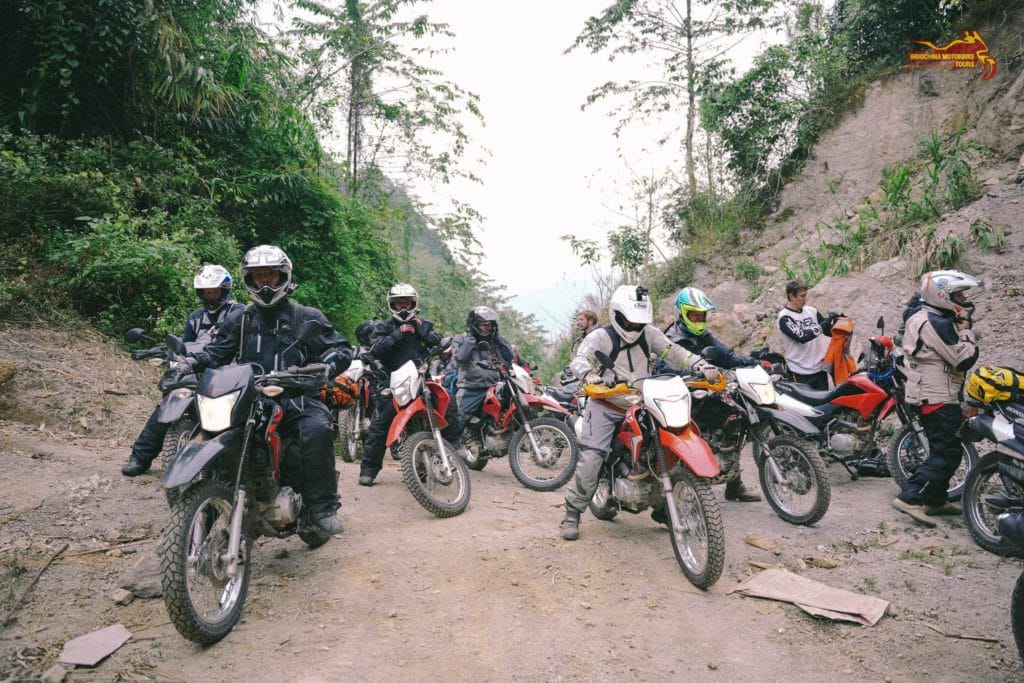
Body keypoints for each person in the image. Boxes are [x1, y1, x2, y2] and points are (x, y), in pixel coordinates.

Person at [183, 245, 352, 536]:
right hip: (249, 396)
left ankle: (322, 507)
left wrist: (324, 366)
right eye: (258, 276)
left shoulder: (305, 315)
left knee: (317, 429)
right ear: (249, 280)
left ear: (282, 277)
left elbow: (339, 349)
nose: (264, 282)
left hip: (296, 395)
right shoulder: (240, 318)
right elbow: (216, 352)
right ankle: (207, 503)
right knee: (212, 428)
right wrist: (191, 360)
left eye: (270, 276)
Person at [560, 284, 722, 541]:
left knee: (663, 448)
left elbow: (675, 352)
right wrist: (590, 374)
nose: (635, 327)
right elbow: (580, 359)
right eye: (630, 321)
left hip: (644, 401)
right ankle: (572, 513)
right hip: (607, 405)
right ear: (617, 315)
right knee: (593, 458)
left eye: (640, 322)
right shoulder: (600, 337)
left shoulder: (650, 334)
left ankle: (661, 506)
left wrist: (701, 365)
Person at [121, 264, 245, 477]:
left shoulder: (239, 313)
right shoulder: (195, 317)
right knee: (169, 403)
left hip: (228, 373)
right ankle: (140, 457)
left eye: (215, 291)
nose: (211, 296)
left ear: (225, 290)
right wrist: (175, 357)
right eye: (207, 291)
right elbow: (185, 344)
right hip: (196, 369)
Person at [891, 270, 981, 527]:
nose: (963, 298)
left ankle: (935, 499)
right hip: (938, 396)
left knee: (945, 448)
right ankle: (911, 497)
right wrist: (966, 332)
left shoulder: (922, 314)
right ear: (943, 295)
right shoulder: (937, 323)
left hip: (928, 393)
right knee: (947, 452)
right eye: (958, 294)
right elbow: (964, 359)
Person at [662, 287, 762, 503]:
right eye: (694, 315)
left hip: (707, 389)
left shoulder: (704, 336)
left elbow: (726, 357)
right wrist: (689, 374)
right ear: (682, 313)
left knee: (735, 416)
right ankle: (683, 488)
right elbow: (662, 369)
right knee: (687, 436)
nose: (698, 319)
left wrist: (756, 362)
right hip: (681, 394)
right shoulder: (670, 339)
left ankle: (734, 484)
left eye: (701, 315)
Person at [358, 284, 451, 486]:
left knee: (447, 406)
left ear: (413, 304)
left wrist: (422, 330)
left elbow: (439, 342)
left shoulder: (422, 325)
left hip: (421, 379)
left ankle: (453, 454)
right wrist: (398, 333)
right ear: (392, 305)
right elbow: (376, 349)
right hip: (392, 380)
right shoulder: (383, 327)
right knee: (381, 422)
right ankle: (369, 470)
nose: (403, 307)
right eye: (399, 303)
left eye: (407, 303)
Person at [451, 306, 515, 449]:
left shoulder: (494, 341)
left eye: (490, 325)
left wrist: (500, 340)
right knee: (460, 419)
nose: (487, 328)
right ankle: (447, 449)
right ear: (474, 324)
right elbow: (459, 359)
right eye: (483, 325)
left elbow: (509, 358)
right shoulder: (461, 339)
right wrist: (470, 342)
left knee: (513, 405)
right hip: (470, 388)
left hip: (493, 387)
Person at [777, 280, 838, 390]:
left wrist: (836, 322)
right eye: (802, 296)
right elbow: (802, 336)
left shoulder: (811, 311)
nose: (805, 299)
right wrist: (824, 324)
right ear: (791, 296)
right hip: (799, 372)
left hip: (819, 370)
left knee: (822, 404)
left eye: (806, 295)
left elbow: (827, 331)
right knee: (805, 406)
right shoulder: (784, 317)